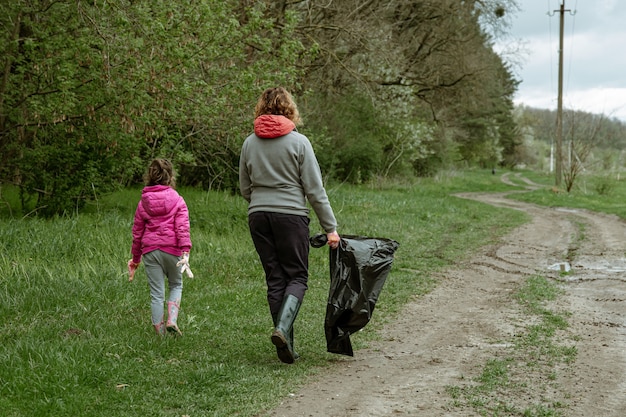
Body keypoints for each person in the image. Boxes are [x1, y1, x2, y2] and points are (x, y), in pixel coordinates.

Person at [239, 87, 340, 364]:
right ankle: (282, 329)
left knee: (275, 277)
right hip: (291, 216)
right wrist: (330, 228)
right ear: (289, 109)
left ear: (261, 109)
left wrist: (262, 199)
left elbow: (244, 188)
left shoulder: (249, 143)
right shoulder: (299, 143)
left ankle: (286, 345)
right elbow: (315, 190)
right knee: (297, 277)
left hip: (258, 215)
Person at [128, 158, 193, 336]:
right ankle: (172, 320)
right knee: (176, 285)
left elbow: (137, 233)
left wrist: (135, 259)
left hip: (150, 251)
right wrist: (185, 250)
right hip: (172, 250)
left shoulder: (143, 203)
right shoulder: (178, 200)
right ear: (170, 177)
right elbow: (182, 227)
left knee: (157, 293)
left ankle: (160, 333)